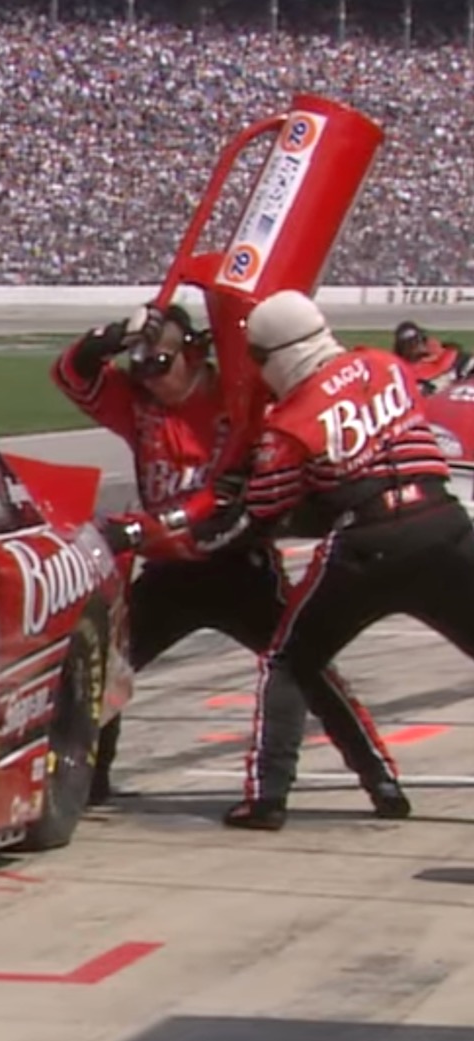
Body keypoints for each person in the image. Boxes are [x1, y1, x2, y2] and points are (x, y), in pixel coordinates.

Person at [51, 302, 407, 817]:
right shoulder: (140, 404)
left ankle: (379, 778)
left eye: (160, 362)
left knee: (308, 667)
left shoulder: (239, 398)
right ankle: (90, 781)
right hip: (168, 571)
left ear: (194, 353)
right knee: (105, 671)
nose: (148, 377)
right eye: (139, 364)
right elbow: (68, 375)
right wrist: (108, 338)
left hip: (241, 566)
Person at [155, 290, 474, 829]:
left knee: (290, 661)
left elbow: (263, 515)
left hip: (366, 544)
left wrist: (199, 532)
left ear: (274, 355)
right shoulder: (388, 365)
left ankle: (267, 797)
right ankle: (380, 786)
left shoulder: (292, 420)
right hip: (445, 523)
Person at [392, 320, 473, 395]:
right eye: (408, 345)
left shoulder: (447, 356)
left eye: (416, 342)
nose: (414, 347)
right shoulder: (397, 370)